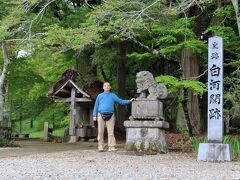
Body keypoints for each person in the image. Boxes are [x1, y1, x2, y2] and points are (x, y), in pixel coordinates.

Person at [93, 82, 135, 152]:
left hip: (111, 115)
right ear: (103, 87)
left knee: (111, 132)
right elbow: (96, 106)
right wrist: (94, 115)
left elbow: (120, 101)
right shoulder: (99, 96)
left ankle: (111, 146)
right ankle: (100, 146)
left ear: (110, 87)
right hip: (100, 114)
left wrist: (129, 101)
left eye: (108, 86)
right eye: (105, 86)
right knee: (100, 131)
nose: (106, 87)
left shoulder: (113, 95)